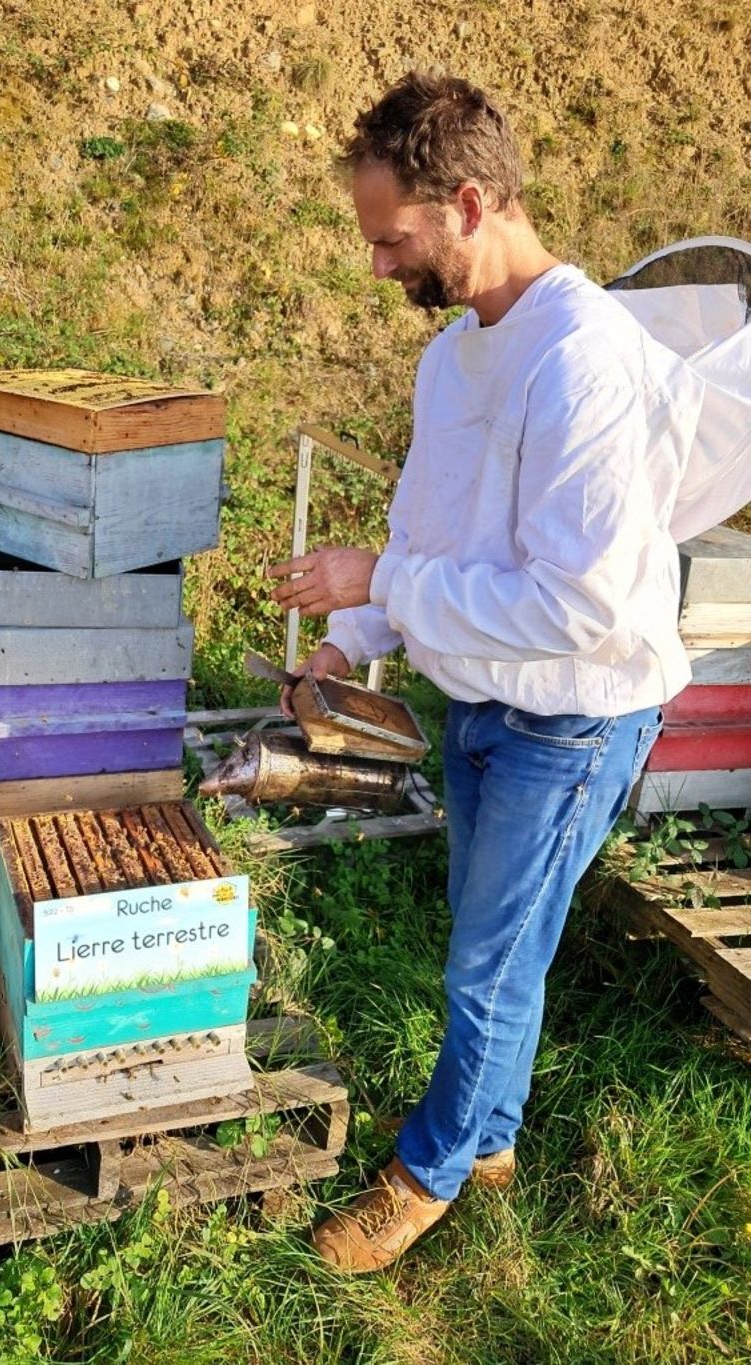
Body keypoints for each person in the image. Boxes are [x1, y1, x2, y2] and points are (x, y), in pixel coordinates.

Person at [267, 70, 705, 1275]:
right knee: (493, 948)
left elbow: (577, 607)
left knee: (484, 967)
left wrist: (378, 582)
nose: (376, 267)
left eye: (390, 239)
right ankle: (492, 1137)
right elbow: (429, 536)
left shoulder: (584, 361)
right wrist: (349, 639)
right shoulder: (456, 357)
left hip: (570, 719)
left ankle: (427, 1174)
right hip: (479, 704)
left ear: (467, 204)